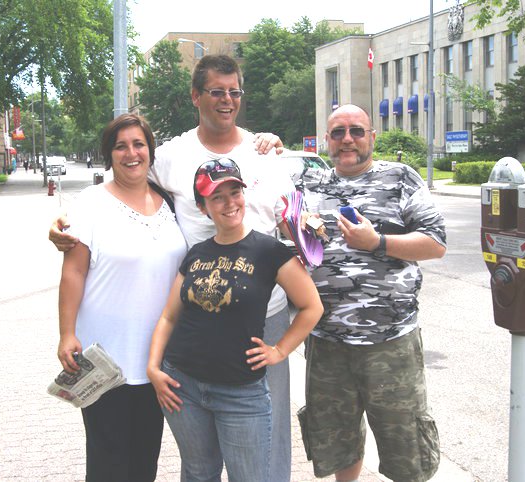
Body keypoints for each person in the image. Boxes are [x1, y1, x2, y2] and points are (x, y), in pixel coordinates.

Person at [49, 55, 297, 480]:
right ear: (196, 96)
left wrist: (277, 143)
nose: (226, 99)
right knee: (196, 458)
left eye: (233, 91)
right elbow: (90, 242)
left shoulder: (265, 154)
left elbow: (295, 224)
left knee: (263, 446)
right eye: (216, 91)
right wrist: (62, 233)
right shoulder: (169, 157)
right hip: (189, 326)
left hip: (260, 320)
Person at [147, 158, 323, 481]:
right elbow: (169, 317)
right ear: (203, 208)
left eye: (234, 192)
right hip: (182, 385)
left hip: (242, 393)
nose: (230, 203)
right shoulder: (197, 252)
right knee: (200, 473)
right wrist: (154, 369)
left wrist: (280, 351)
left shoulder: (269, 251)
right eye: (217, 197)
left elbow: (312, 306)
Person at [299, 104, 447, 482]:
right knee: (338, 442)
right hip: (327, 341)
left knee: (406, 448)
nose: (347, 139)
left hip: (390, 343)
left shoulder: (401, 178)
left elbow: (435, 243)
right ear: (327, 139)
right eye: (337, 133)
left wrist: (377, 242)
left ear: (372, 136)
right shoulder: (310, 185)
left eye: (356, 131)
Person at [57, 113, 187, 481]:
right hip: (104, 359)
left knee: (145, 459)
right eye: (120, 146)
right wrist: (67, 334)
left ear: (150, 150)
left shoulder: (169, 202)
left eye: (138, 144)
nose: (131, 153)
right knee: (108, 462)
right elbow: (73, 272)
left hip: (157, 361)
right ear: (108, 155)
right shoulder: (90, 203)